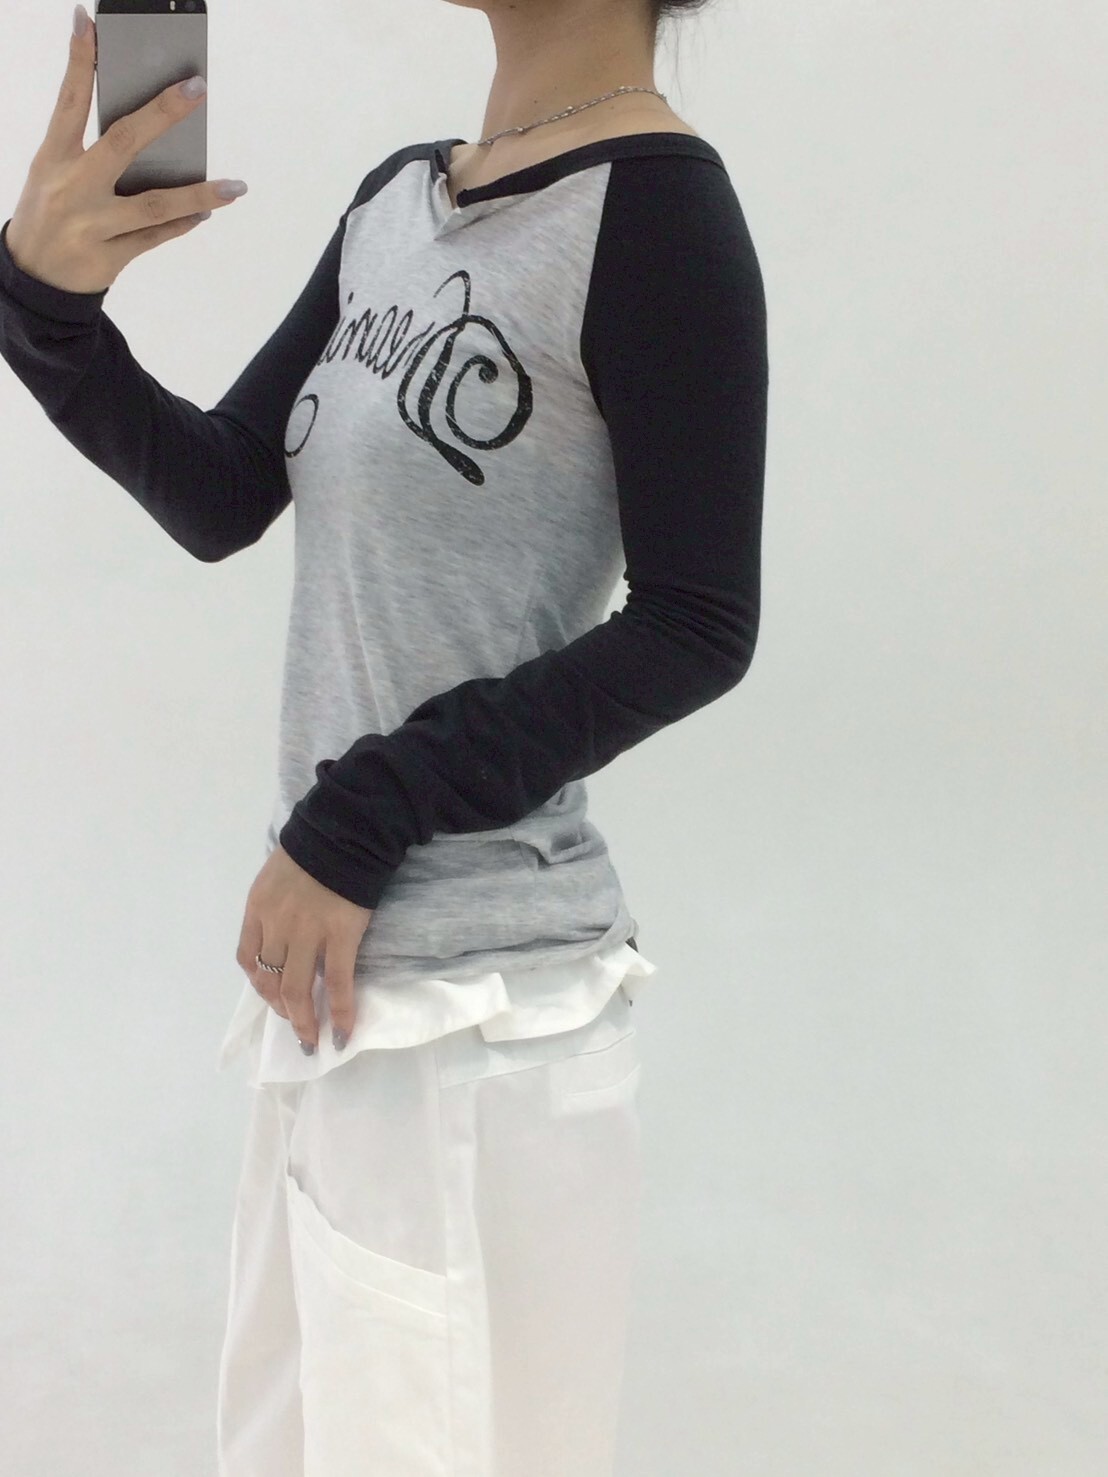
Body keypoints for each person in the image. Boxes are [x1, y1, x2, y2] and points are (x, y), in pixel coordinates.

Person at [0, 0, 767, 1471]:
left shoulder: (660, 218)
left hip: (485, 1027)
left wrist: (360, 816)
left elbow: (698, 622)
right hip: (336, 1002)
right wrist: (47, 312)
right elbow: (223, 491)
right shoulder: (399, 200)